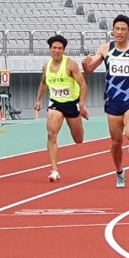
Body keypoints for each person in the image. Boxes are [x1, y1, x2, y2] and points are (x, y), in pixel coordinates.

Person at [82, 15, 129, 188]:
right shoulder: (106, 49)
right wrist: (84, 64)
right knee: (115, 142)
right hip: (113, 100)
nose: (119, 32)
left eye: (123, 29)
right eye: (117, 29)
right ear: (112, 30)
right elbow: (89, 70)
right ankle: (119, 172)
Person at [33, 34, 89, 182]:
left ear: (63, 50)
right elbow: (44, 83)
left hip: (71, 103)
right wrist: (38, 100)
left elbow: (83, 84)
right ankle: (54, 170)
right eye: (54, 48)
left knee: (78, 139)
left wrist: (82, 104)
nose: (56, 51)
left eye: (59, 48)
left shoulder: (70, 64)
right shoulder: (46, 66)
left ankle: (78, 126)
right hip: (55, 103)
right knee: (51, 134)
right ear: (50, 49)